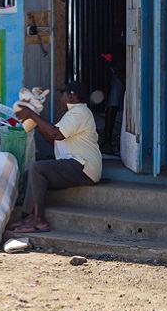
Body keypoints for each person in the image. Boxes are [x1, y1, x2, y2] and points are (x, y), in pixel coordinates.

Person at [10, 80, 102, 233]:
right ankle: (28, 217)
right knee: (29, 175)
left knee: (37, 168)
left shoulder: (80, 112)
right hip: (74, 164)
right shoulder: (71, 115)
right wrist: (37, 125)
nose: (61, 99)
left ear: (72, 97)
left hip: (83, 166)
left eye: (63, 95)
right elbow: (55, 141)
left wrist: (31, 114)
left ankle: (39, 220)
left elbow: (56, 133)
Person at [100, 35, 126, 155]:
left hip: (130, 61)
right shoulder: (117, 51)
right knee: (114, 99)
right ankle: (107, 142)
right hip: (119, 60)